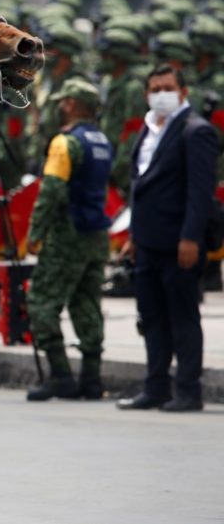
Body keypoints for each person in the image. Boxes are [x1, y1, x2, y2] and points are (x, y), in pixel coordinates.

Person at [117, 64, 219, 412]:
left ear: (183, 92)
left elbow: (200, 192)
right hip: (147, 242)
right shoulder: (148, 129)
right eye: (155, 88)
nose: (160, 94)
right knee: (152, 317)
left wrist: (191, 237)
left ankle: (189, 390)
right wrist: (134, 236)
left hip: (180, 243)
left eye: (167, 87)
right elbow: (140, 187)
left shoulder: (196, 131)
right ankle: (156, 386)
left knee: (182, 317)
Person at [25, 78, 112, 401]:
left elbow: (52, 191)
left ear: (73, 104)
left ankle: (60, 376)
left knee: (42, 302)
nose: (60, 106)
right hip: (96, 236)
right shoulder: (101, 140)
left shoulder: (65, 142)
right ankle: (91, 379)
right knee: (87, 304)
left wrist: (36, 233)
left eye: (64, 101)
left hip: (67, 235)